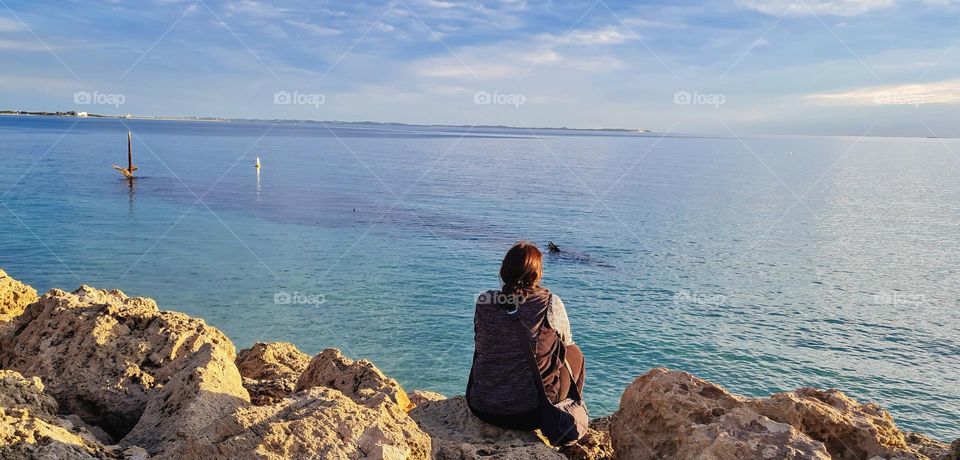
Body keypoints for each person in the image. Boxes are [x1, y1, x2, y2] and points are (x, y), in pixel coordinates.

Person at [466, 241, 585, 430]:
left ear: (503, 272)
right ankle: (566, 418)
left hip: (481, 406)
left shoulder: (483, 301)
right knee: (574, 352)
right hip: (531, 414)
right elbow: (565, 341)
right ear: (535, 275)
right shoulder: (549, 302)